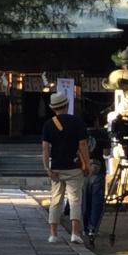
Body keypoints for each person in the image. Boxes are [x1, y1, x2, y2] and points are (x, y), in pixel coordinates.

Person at [40, 89, 90, 244]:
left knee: (56, 200)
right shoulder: (77, 122)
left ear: (53, 108)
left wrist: (46, 167)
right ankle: (75, 233)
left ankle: (53, 234)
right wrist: (87, 164)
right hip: (74, 166)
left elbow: (45, 148)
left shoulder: (48, 125)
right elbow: (82, 144)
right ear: (67, 105)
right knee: (75, 200)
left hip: (56, 167)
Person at [81, 120, 110, 247]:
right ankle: (93, 227)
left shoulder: (80, 132)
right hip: (98, 167)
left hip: (84, 168)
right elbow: (106, 153)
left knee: (85, 199)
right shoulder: (103, 133)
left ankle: (85, 226)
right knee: (97, 200)